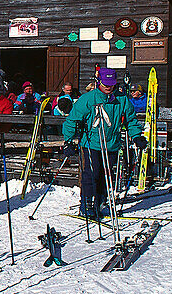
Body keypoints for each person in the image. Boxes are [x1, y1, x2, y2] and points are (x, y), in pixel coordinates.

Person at [62, 68, 145, 222]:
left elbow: (131, 120)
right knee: (91, 174)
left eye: (111, 84)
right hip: (91, 143)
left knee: (107, 175)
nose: (108, 87)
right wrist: (68, 141)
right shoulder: (88, 99)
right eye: (105, 84)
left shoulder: (122, 100)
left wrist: (136, 136)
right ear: (99, 81)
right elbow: (72, 120)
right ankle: (87, 204)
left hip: (112, 144)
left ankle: (101, 201)